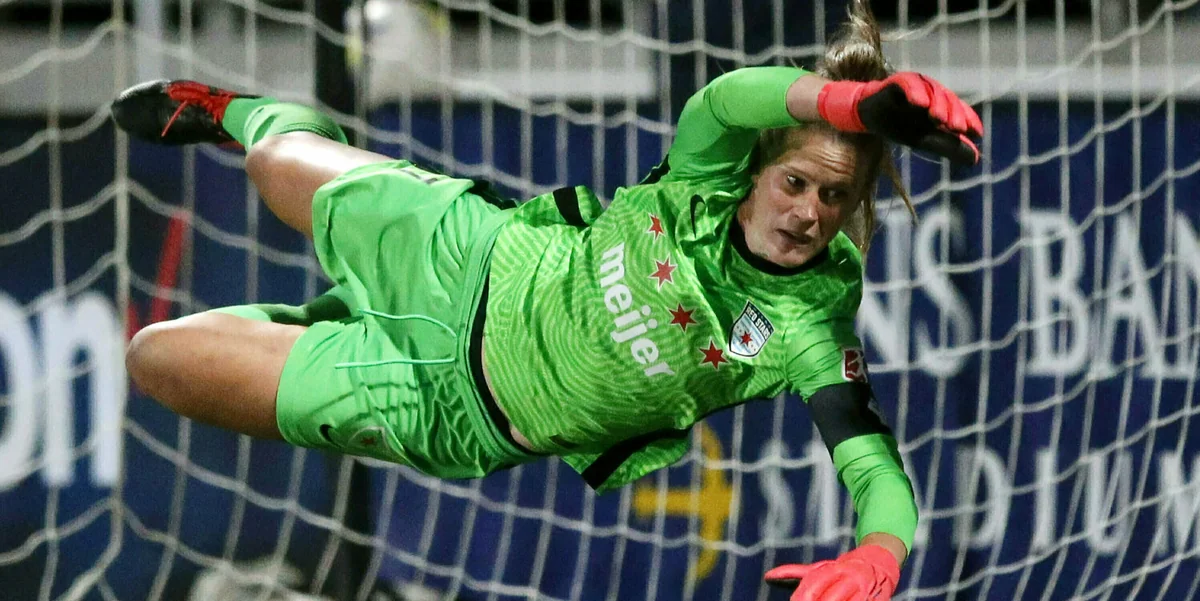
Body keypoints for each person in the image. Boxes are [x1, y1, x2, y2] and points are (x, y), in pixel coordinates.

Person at [113, 2, 981, 599]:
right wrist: (847, 101)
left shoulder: (808, 322)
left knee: (156, 359)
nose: (810, 212)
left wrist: (879, 552)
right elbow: (724, 98)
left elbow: (875, 468)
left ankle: (326, 329)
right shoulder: (703, 176)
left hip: (445, 408)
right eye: (796, 182)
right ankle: (241, 110)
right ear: (759, 169)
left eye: (835, 197)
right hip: (463, 255)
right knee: (273, 161)